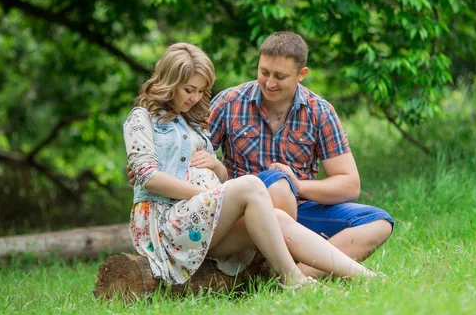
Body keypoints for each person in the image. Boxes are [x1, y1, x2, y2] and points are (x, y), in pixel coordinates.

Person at [124, 42, 376, 289]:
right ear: (169, 82)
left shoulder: (192, 123)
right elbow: (148, 176)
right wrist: (210, 195)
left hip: (202, 222)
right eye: (189, 90)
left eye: (201, 91)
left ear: (301, 75)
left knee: (277, 217)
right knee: (254, 185)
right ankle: (293, 280)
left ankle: (367, 277)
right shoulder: (141, 118)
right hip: (168, 223)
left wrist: (216, 167)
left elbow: (219, 175)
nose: (195, 98)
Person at [209, 31, 394, 277]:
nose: (270, 82)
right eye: (264, 72)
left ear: (301, 74)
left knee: (378, 223)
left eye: (280, 76)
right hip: (244, 215)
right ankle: (278, 265)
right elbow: (193, 156)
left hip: (300, 213)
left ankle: (297, 273)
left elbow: (349, 184)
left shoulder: (320, 111)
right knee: (275, 184)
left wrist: (298, 186)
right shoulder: (229, 102)